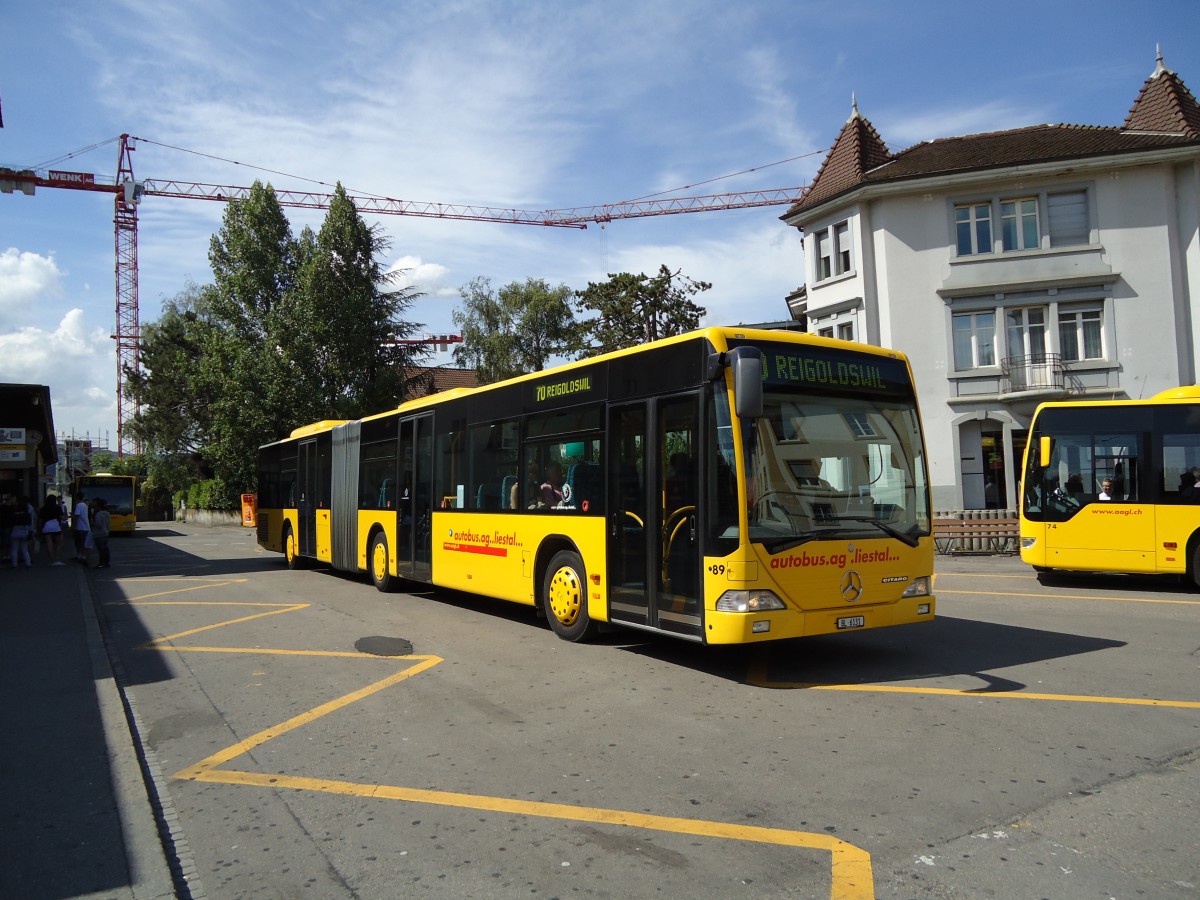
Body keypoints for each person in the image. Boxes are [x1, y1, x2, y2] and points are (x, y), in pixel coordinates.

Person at [39, 494, 66, 565]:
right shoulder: (57, 507)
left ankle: (52, 560)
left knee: (49, 544)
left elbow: (40, 519)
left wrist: (40, 528)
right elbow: (62, 517)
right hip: (55, 525)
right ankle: (57, 558)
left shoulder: (43, 508)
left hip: (46, 526)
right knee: (60, 542)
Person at [9, 495, 34, 568]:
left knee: (14, 549)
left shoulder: (15, 514)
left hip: (15, 531)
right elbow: (30, 524)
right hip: (24, 531)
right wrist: (31, 532)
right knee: (24, 549)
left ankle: (14, 564)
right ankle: (28, 563)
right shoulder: (27, 514)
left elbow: (11, 523)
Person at [91, 497, 111, 568]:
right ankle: (106, 562)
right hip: (105, 532)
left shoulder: (98, 514)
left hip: (99, 534)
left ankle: (102, 563)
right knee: (105, 548)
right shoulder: (107, 513)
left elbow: (98, 524)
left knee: (101, 549)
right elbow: (108, 523)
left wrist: (92, 523)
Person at [71, 493, 91, 562]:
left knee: (79, 543)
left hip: (80, 527)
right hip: (85, 527)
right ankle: (81, 555)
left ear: (76, 497)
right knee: (81, 542)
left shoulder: (79, 505)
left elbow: (77, 516)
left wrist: (73, 526)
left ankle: (81, 556)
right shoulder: (85, 505)